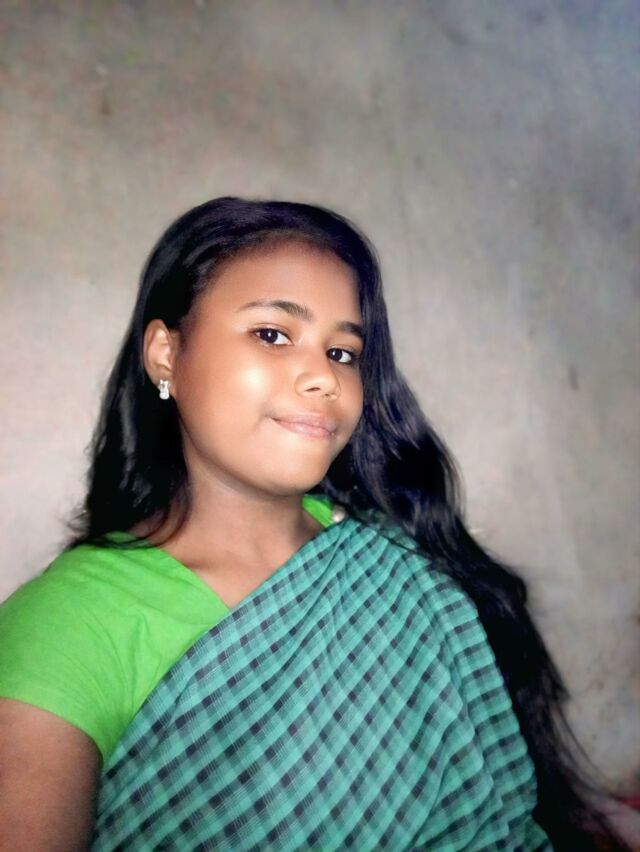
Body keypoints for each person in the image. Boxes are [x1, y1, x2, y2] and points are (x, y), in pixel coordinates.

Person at [0, 198, 627, 850]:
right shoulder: (67, 622)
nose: (324, 377)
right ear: (165, 355)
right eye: (272, 335)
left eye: (342, 352)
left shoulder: (396, 571)